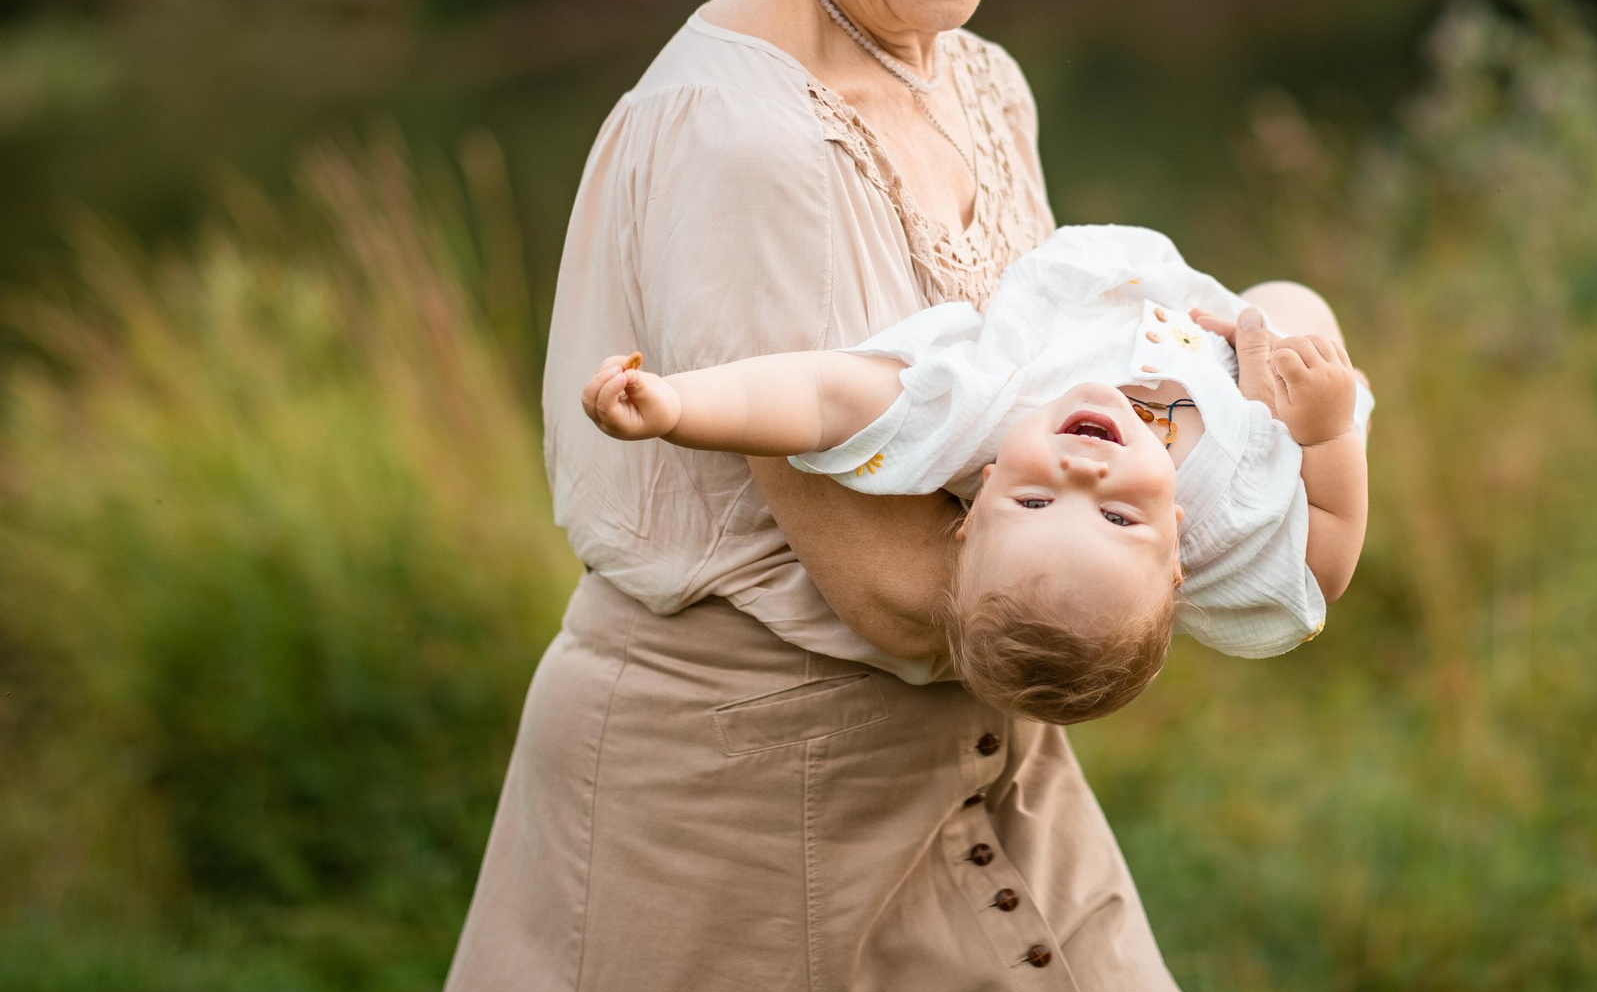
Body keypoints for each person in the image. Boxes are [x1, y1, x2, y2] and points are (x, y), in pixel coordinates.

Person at [428, 0, 1235, 992]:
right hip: (741, 798)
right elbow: (877, 578)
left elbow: (1027, 408)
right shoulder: (751, 142)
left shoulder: (979, 77)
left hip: (989, 751)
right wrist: (1208, 555)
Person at [575, 225, 1373, 728]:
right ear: (1176, 556)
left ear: (978, 493)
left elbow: (821, 397)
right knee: (1289, 299)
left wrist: (678, 406)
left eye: (1035, 498)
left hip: (1134, 300)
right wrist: (1327, 427)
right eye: (1119, 518)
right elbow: (1325, 568)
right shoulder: (1236, 528)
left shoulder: (978, 406)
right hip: (1273, 379)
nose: (1084, 471)